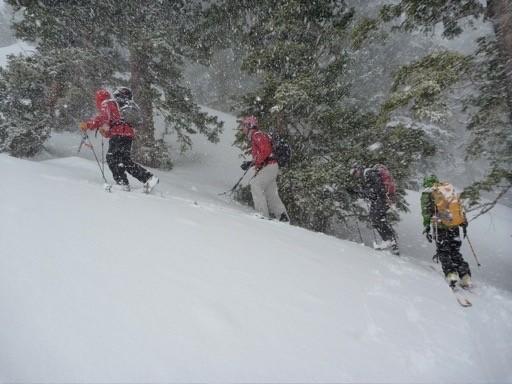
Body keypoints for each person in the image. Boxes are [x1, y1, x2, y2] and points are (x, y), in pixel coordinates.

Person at [79, 88, 159, 193]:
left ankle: (123, 183)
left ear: (99, 99)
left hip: (119, 134)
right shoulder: (116, 105)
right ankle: (148, 178)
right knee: (124, 160)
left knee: (112, 158)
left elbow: (102, 118)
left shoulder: (107, 103)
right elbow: (116, 122)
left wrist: (88, 125)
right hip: (127, 135)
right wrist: (108, 133)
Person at [421, 174, 472, 288]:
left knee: (443, 251)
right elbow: (458, 207)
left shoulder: (427, 193)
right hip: (454, 226)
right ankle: (465, 276)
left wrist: (426, 226)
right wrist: (463, 222)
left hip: (439, 226)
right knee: (455, 250)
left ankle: (451, 274)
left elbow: (426, 213)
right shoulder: (446, 189)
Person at [240, 115, 289, 222]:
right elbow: (264, 154)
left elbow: (266, 151)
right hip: (271, 166)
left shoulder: (256, 135)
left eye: (244, 125)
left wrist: (254, 162)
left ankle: (262, 214)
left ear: (250, 125)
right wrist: (251, 163)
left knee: (255, 184)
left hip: (270, 166)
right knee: (271, 193)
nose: (242, 128)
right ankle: (282, 216)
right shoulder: (257, 136)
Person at [350, 163, 399, 255]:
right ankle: (392, 243)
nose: (355, 175)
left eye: (354, 172)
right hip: (382, 199)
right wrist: (363, 192)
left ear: (358, 169)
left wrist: (362, 192)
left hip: (381, 199)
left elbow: (376, 189)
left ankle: (388, 240)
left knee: (376, 219)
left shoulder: (368, 173)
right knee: (379, 219)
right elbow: (373, 190)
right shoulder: (368, 174)